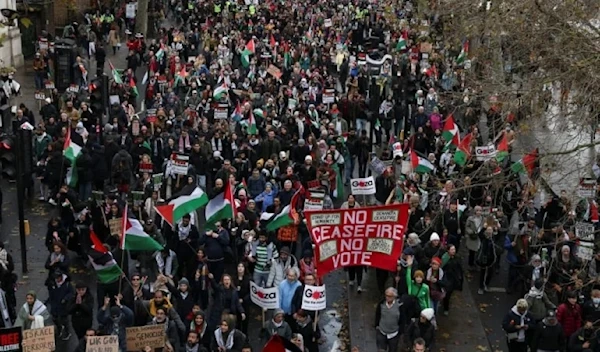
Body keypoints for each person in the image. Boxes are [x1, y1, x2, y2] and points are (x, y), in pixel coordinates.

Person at [375, 287, 404, 352]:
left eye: (390, 296)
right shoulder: (381, 304)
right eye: (386, 295)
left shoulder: (399, 306)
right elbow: (377, 315)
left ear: (394, 296)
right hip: (382, 332)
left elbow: (402, 319)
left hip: (394, 334)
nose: (387, 297)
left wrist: (400, 331)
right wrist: (377, 326)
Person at [48, 270, 74, 340]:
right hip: (55, 304)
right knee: (54, 318)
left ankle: (67, 332)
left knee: (64, 320)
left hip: (63, 305)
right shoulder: (53, 283)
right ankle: (59, 328)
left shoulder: (67, 284)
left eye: (58, 277)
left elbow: (71, 293)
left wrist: (65, 298)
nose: (57, 279)